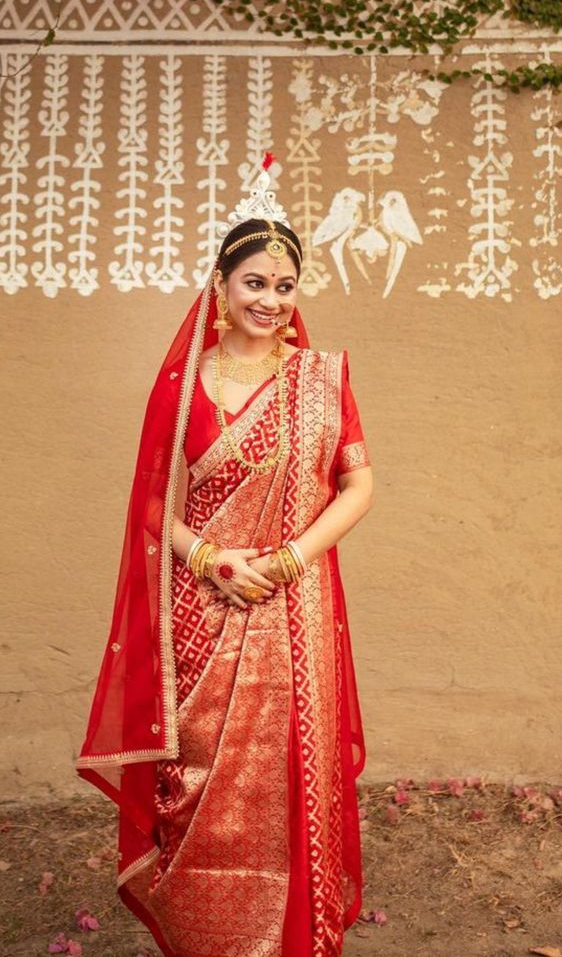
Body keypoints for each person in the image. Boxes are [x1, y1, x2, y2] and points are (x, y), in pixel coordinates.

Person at [77, 154, 374, 957]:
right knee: (198, 785)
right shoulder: (182, 384)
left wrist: (287, 559)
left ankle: (293, 939)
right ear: (221, 285)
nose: (270, 300)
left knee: (289, 783)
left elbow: (359, 484)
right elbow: (150, 506)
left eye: (285, 285)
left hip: (292, 608)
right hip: (205, 611)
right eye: (254, 283)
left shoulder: (321, 379)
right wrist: (210, 558)